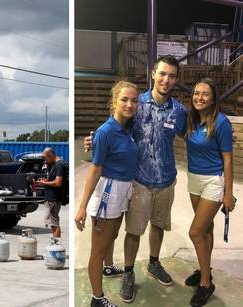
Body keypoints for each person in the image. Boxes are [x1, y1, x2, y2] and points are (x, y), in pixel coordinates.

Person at [84, 55, 187, 303]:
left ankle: (154, 262)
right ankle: (129, 272)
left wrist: (217, 140)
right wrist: (94, 140)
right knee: (133, 231)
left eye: (171, 76)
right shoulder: (137, 104)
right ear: (153, 74)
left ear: (175, 79)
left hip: (166, 180)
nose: (166, 79)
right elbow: (116, 127)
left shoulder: (179, 111)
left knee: (159, 225)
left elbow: (192, 136)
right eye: (162, 73)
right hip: (139, 181)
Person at [76, 81, 139, 307]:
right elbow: (95, 169)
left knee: (112, 236)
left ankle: (109, 267)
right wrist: (82, 207)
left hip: (124, 189)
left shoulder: (129, 127)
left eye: (134, 100)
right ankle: (97, 298)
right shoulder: (105, 132)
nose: (130, 104)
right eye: (124, 99)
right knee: (98, 248)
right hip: (108, 192)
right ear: (114, 101)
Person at [184, 78, 235, 306]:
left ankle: (206, 283)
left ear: (214, 98)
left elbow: (228, 159)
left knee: (195, 232)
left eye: (205, 94)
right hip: (193, 179)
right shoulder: (191, 119)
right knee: (207, 229)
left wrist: (227, 193)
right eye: (196, 93)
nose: (199, 97)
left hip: (213, 181)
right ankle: (207, 269)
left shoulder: (221, 123)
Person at [37, 147, 66, 239]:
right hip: (50, 197)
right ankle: (55, 242)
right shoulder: (52, 164)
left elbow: (58, 183)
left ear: (51, 155)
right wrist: (45, 180)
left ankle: (56, 244)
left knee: (54, 223)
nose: (45, 160)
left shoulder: (59, 165)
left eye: (46, 157)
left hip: (54, 198)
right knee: (52, 222)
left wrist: (44, 183)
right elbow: (52, 179)